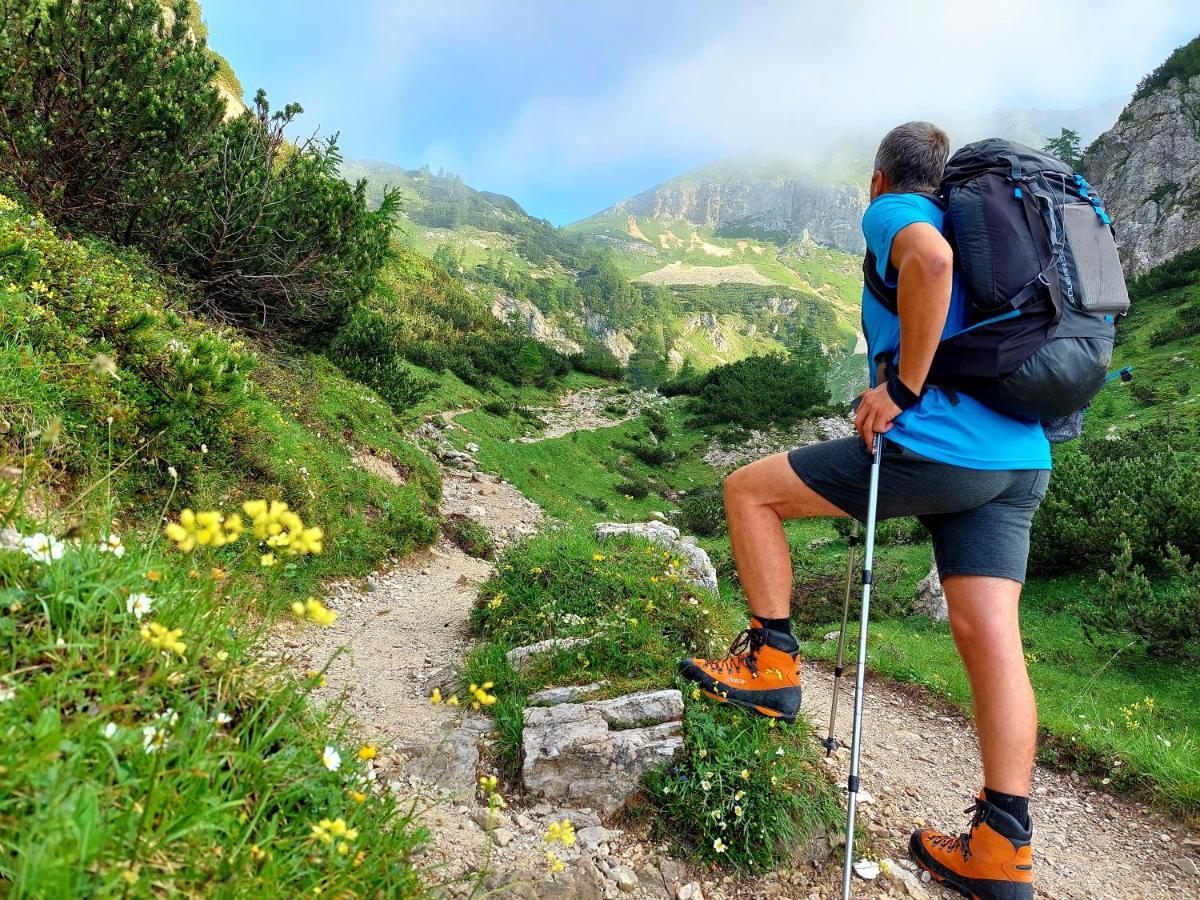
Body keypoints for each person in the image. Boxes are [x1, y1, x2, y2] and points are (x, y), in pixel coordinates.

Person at [678, 121, 1050, 900]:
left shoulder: (897, 211)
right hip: (1019, 459)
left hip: (935, 444)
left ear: (879, 178)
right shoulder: (981, 224)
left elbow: (932, 262)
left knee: (749, 490)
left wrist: (901, 389)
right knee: (993, 635)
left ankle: (770, 663)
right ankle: (1002, 847)